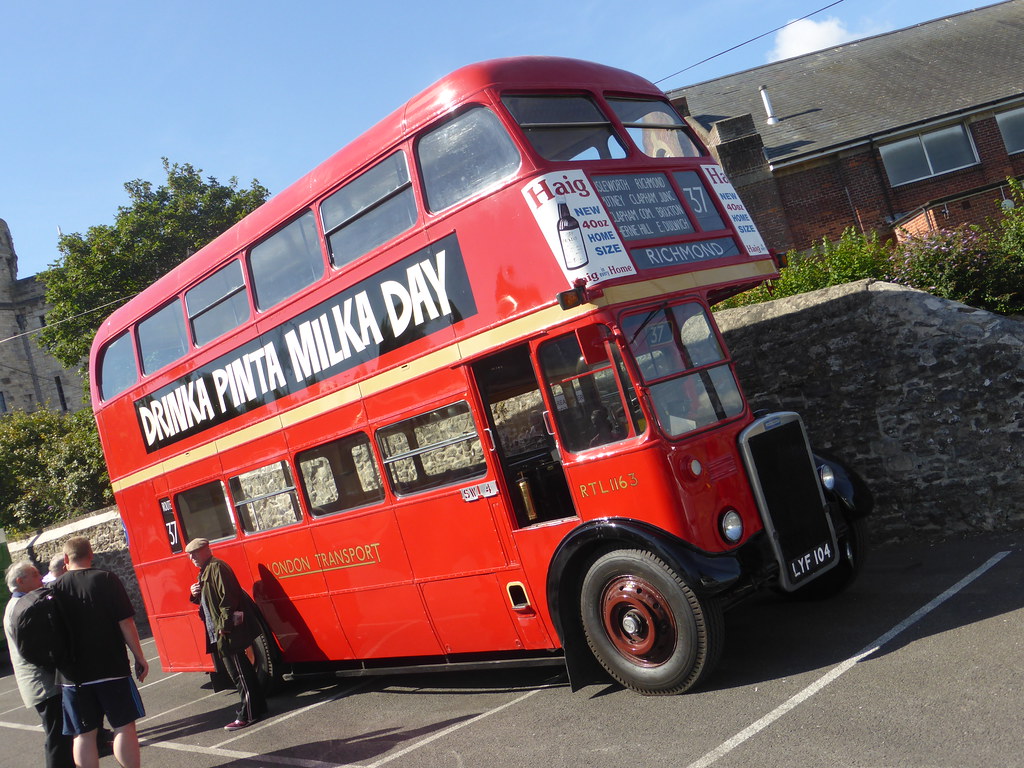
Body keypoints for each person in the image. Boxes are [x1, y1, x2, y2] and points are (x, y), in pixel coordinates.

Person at [53, 537, 148, 768]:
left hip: (73, 676)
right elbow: (126, 622)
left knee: (83, 734)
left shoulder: (54, 588)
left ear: (66, 559)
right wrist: (139, 657)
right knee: (124, 726)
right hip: (111, 668)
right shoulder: (106, 579)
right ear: (91, 554)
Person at [185, 538, 267, 731]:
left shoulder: (217, 567)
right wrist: (194, 593)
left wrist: (224, 627)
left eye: (195, 553)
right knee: (243, 671)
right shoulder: (206, 570)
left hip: (226, 631)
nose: (192, 558)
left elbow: (227, 599)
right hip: (223, 630)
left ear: (206, 550)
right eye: (190, 555)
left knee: (239, 674)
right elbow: (210, 602)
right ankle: (257, 708)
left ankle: (247, 714)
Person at [4, 560, 75, 768]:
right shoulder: (21, 607)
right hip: (43, 684)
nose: (41, 578)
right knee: (57, 736)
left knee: (61, 734)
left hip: (41, 682)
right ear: (20, 581)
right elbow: (34, 650)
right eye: (35, 575)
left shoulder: (18, 605)